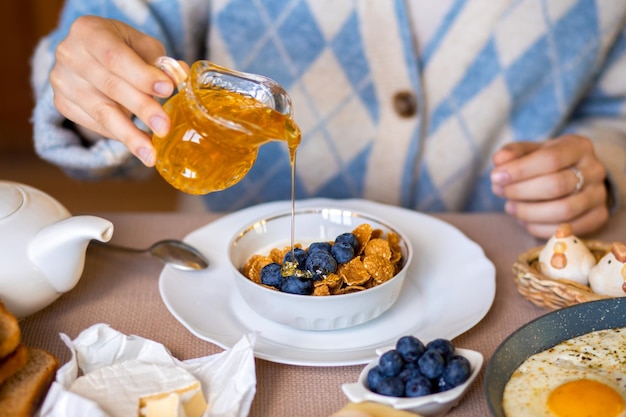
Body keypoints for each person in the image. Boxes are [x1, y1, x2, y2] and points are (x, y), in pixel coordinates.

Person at [31, 1, 626, 239]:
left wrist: (599, 168)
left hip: (495, 268)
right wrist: (98, 98)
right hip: (228, 273)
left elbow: (614, 115)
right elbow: (102, 43)